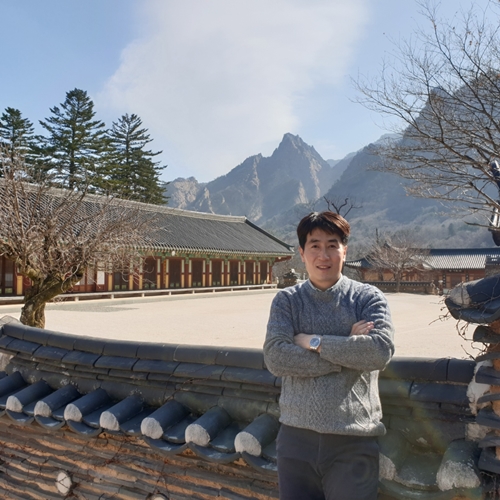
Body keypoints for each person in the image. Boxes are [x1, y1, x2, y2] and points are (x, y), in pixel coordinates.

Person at [263, 211, 395, 500]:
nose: (324, 255)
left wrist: (313, 341)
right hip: (295, 437)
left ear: (344, 251)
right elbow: (275, 357)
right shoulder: (287, 301)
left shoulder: (368, 298)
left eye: (332, 245)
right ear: (302, 253)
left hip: (353, 439)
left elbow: (379, 351)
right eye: (315, 245)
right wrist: (348, 347)